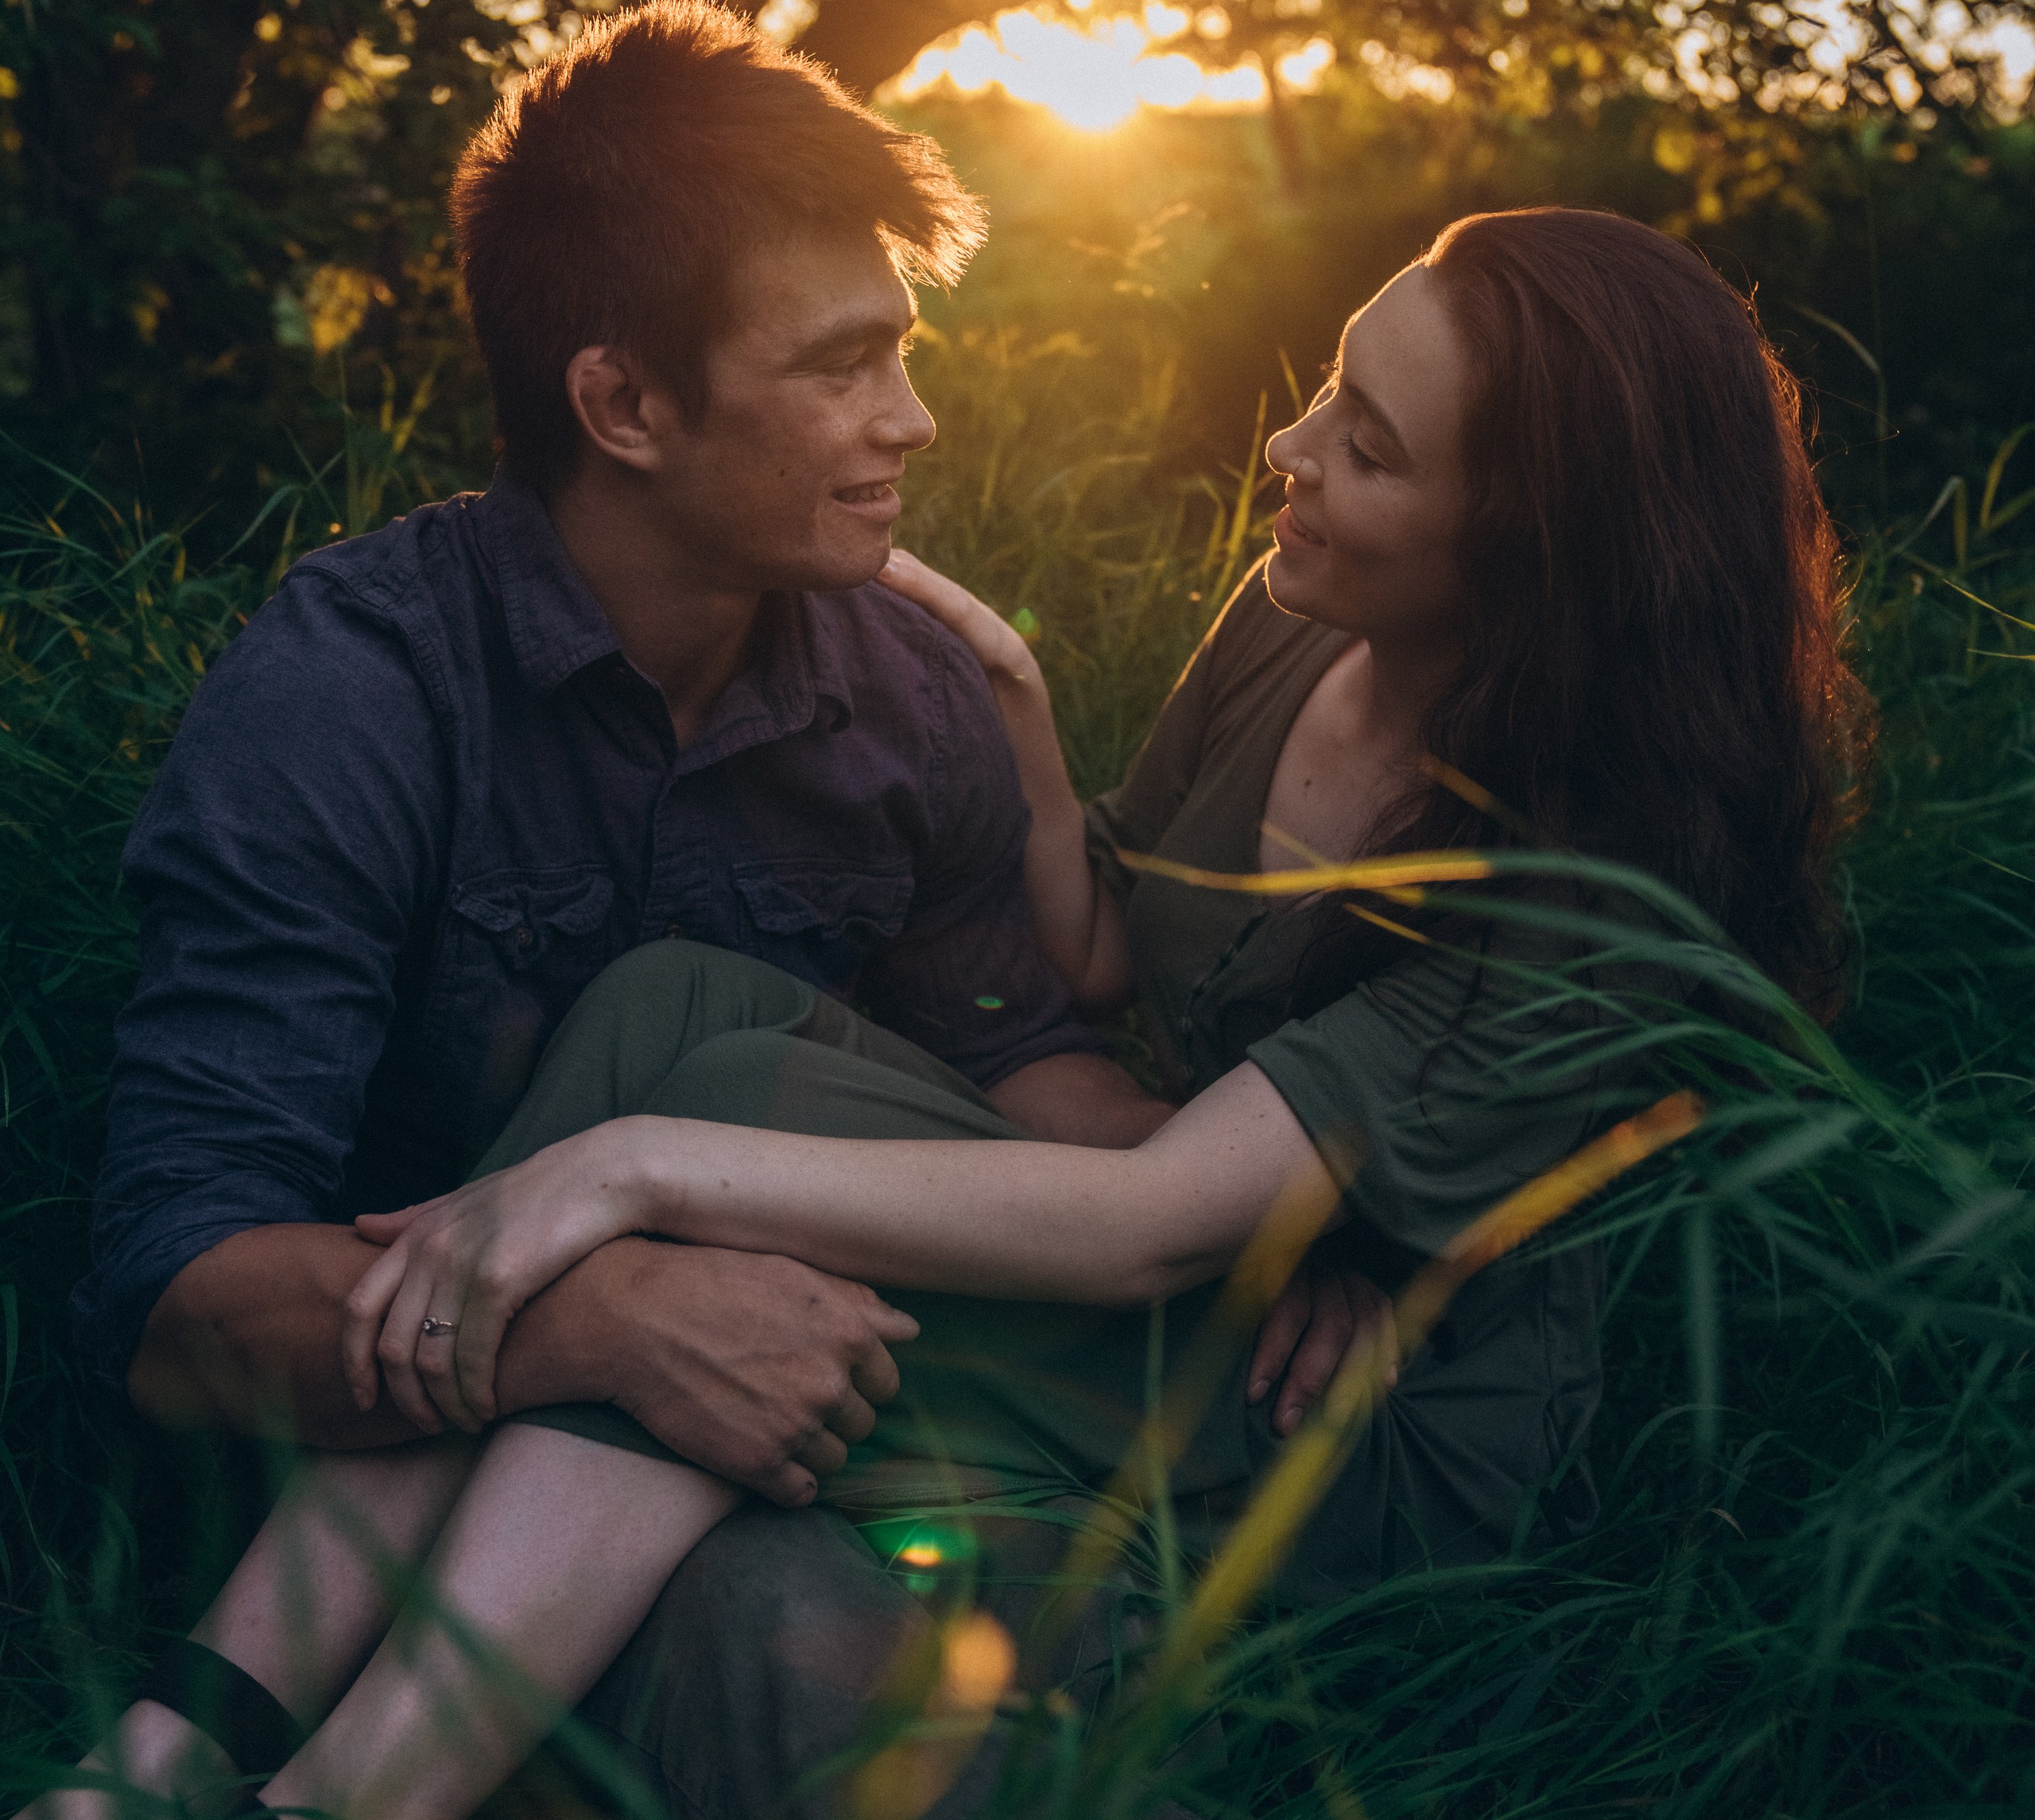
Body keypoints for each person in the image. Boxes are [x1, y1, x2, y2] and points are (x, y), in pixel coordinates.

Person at [43, 203, 1870, 1820]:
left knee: (699, 1171)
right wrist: (1023, 727)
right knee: (675, 1005)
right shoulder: (1302, 615)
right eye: (1327, 383)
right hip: (1221, 1235)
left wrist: (622, 1167)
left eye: (1369, 447)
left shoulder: (1580, 891)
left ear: (1525, 551)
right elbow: (1110, 979)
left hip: (1340, 1424)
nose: (1290, 445)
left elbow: (1153, 1226)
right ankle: (182, 1747)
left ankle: (316, 1787)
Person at [46, 0, 1375, 1820]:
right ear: (623, 402)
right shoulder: (353, 692)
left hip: (791, 1414)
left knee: (863, 1646)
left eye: (901, 349)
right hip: (393, 1484)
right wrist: (601, 1320)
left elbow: (1018, 1067)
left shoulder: (901, 693)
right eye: (838, 363)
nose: (910, 418)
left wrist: (1312, 1194)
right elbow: (172, 1301)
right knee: (754, 1644)